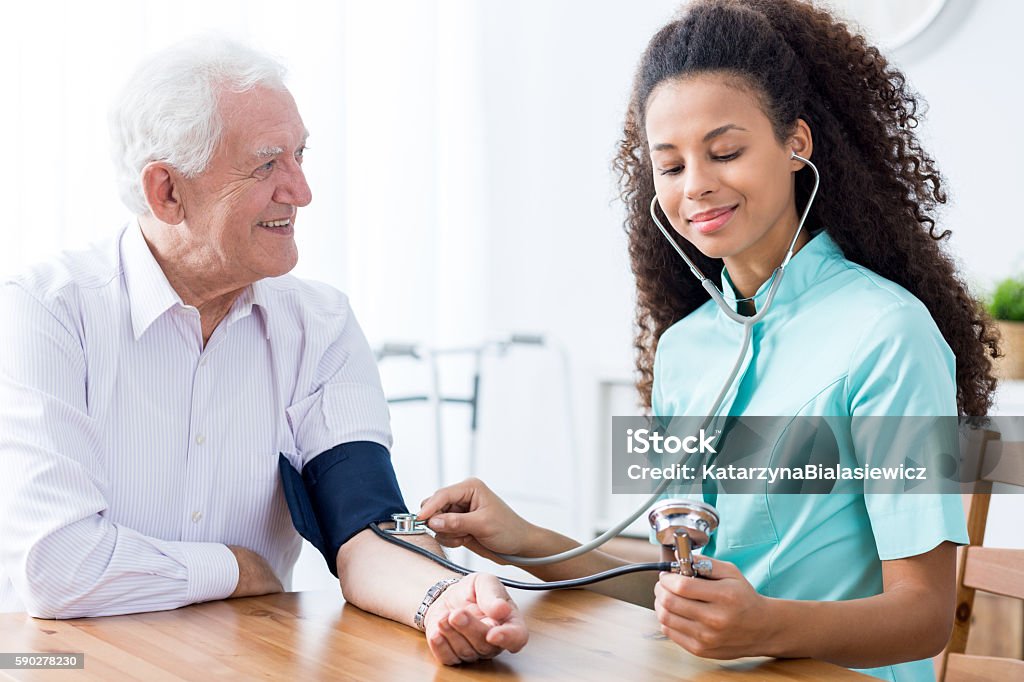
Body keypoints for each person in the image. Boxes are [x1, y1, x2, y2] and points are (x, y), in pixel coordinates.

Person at [418, 1, 999, 679]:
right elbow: (682, 591)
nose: (696, 185)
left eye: (725, 151)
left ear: (796, 144)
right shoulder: (686, 349)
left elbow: (923, 613)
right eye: (669, 166)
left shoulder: (887, 334)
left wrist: (768, 624)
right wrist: (525, 542)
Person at [0, 38, 527, 666]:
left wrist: (443, 596)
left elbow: (371, 522)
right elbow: (56, 567)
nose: (301, 191)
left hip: (239, 663)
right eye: (267, 165)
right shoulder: (44, 311)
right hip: (56, 663)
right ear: (167, 190)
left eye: (300, 155)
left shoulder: (320, 325)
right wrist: (232, 568)